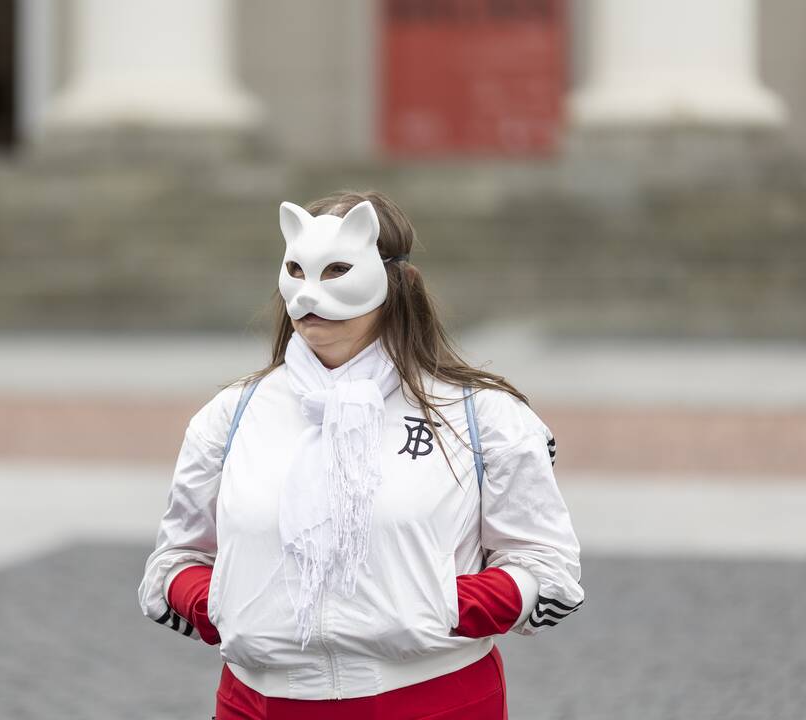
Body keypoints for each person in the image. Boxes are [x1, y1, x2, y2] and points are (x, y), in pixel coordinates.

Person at [137, 189, 584, 719]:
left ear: (391, 280)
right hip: (257, 703)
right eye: (297, 272)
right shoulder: (230, 416)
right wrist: (221, 607)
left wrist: (434, 609)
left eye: (337, 272)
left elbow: (547, 567)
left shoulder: (483, 416)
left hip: (432, 700)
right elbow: (173, 562)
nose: (310, 295)